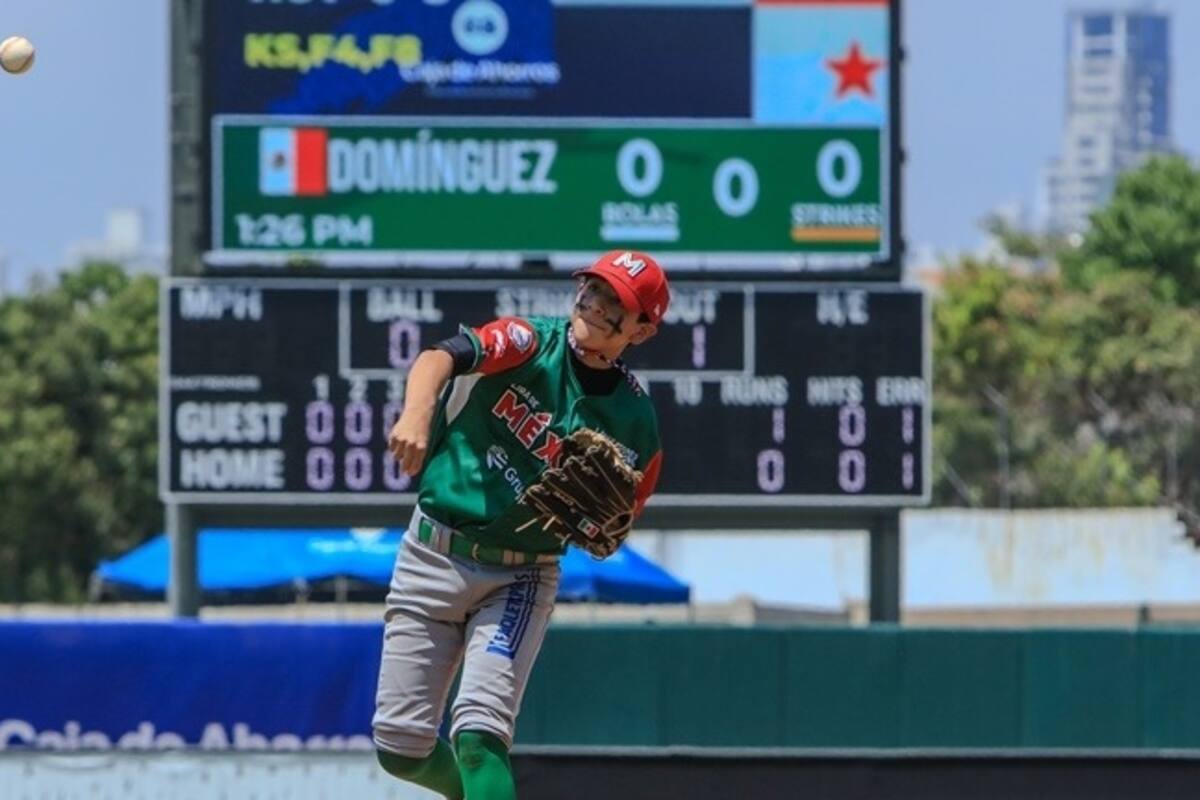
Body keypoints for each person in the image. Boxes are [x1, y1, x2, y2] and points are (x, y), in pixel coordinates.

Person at [373, 250, 670, 799]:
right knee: (400, 748)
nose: (596, 305)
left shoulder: (636, 421)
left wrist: (605, 528)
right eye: (595, 290)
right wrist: (416, 411)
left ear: (643, 331)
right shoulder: (531, 342)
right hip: (433, 549)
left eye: (616, 304)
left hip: (520, 577)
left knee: (479, 737)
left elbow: (623, 515)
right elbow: (441, 357)